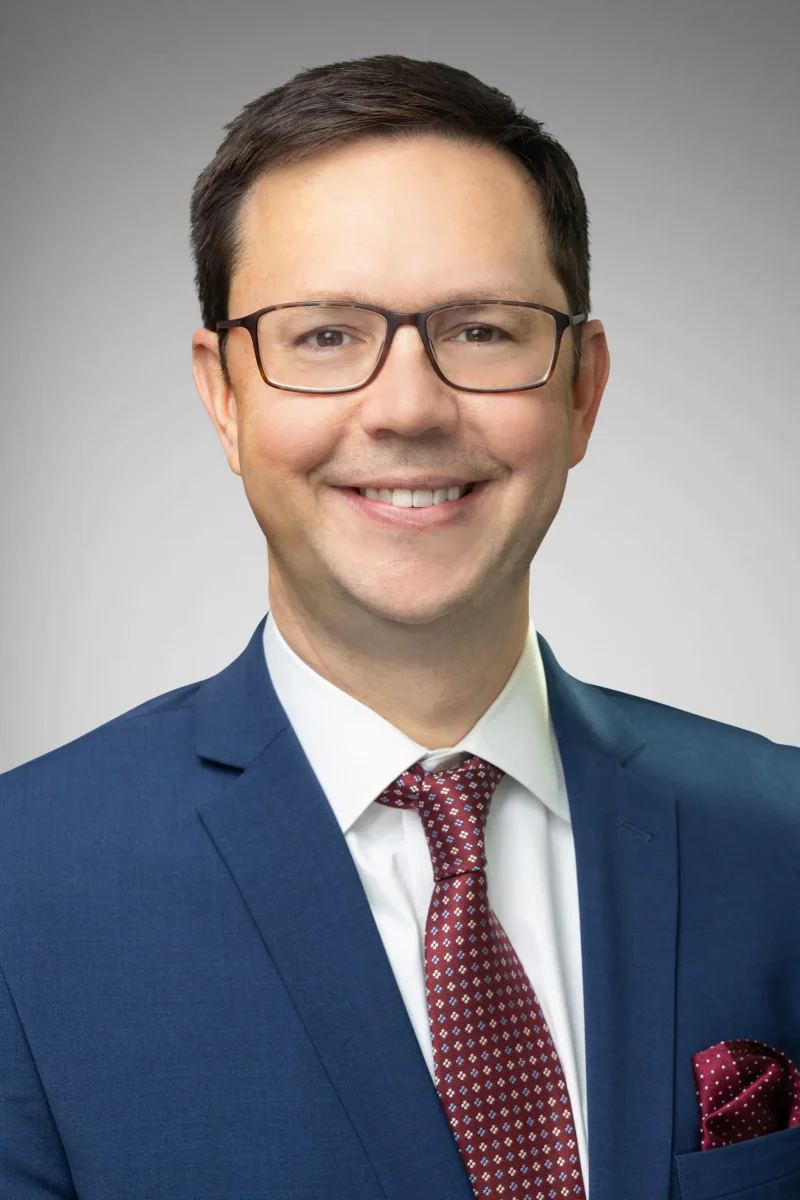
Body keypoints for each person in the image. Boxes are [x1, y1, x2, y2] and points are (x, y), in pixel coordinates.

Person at [1, 53, 798, 1200]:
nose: (408, 406)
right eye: (323, 334)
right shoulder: (21, 888)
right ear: (223, 397)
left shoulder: (778, 839)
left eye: (481, 329)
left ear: (581, 390)